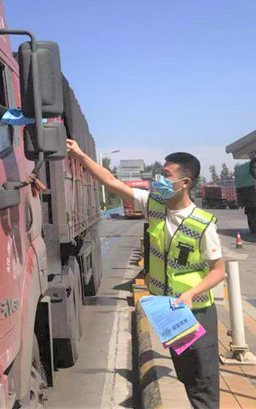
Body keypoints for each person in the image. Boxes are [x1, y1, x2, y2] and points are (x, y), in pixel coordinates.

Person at [66, 141, 223, 409]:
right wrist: (80, 155)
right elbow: (111, 182)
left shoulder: (202, 223)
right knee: (187, 376)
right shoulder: (154, 205)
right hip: (170, 312)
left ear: (185, 183)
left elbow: (218, 272)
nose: (159, 180)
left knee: (204, 383)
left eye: (166, 175)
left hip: (197, 313)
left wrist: (190, 294)